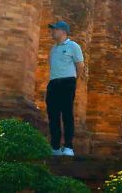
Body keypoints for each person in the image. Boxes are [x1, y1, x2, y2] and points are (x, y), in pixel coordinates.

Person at [46, 20, 86, 156]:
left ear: (63, 32)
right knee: (53, 115)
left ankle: (68, 146)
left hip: (67, 83)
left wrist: (74, 81)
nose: (52, 32)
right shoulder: (53, 49)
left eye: (55, 29)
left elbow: (80, 66)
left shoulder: (73, 46)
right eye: (52, 29)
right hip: (53, 84)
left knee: (67, 114)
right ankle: (55, 147)